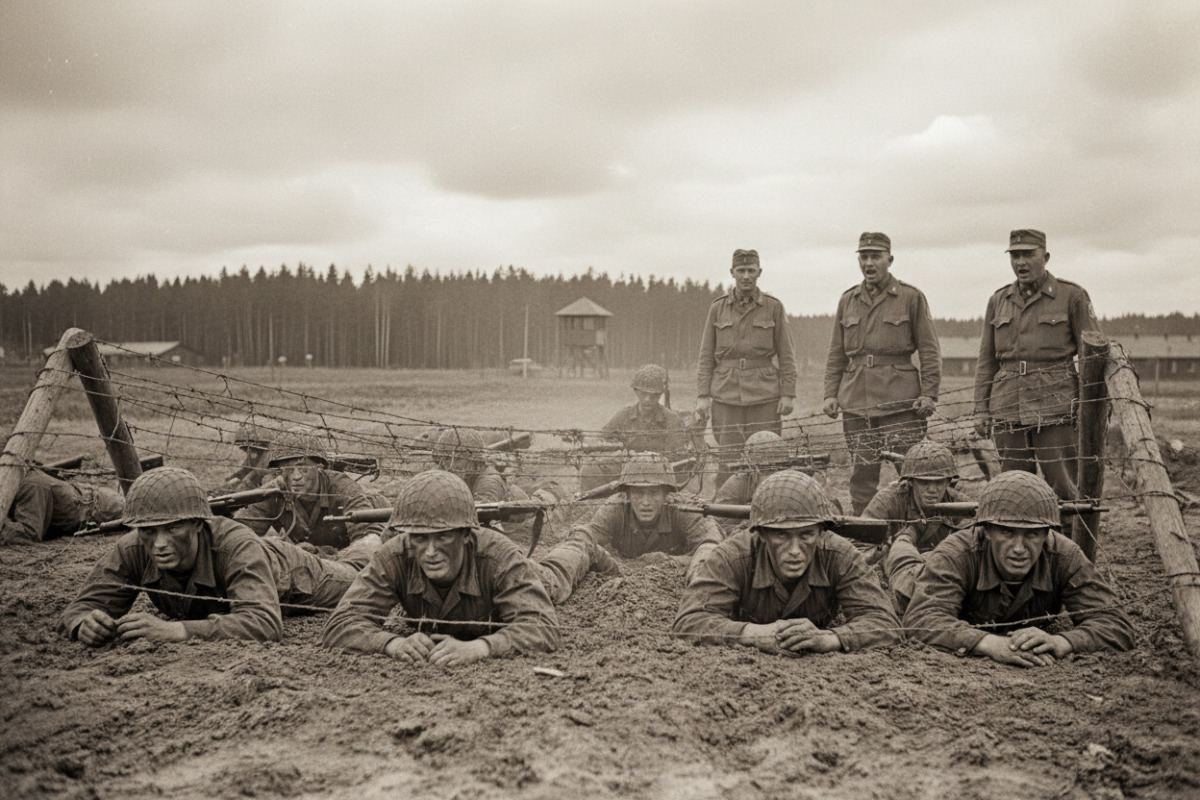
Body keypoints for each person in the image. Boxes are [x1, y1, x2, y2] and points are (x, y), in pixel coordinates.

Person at [59, 467, 376, 646]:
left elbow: (264, 623)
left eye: (172, 529)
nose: (158, 543)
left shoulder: (234, 544)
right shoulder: (133, 546)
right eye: (148, 531)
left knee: (362, 571)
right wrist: (83, 623)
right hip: (255, 576)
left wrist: (179, 631)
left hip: (294, 576)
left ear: (198, 524)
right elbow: (82, 606)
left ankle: (375, 535)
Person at [322, 470, 563, 665]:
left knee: (558, 574)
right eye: (419, 537)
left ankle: (582, 543)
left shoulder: (500, 558)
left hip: (535, 577)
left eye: (442, 537)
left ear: (466, 533)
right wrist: (392, 644)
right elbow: (341, 623)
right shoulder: (395, 555)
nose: (430, 551)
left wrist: (480, 648)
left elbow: (544, 627)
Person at [902, 471, 1134, 666]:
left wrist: (1062, 642)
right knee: (902, 558)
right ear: (987, 531)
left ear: (1047, 533)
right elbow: (922, 618)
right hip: (914, 579)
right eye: (1007, 532)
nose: (1019, 548)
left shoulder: (1064, 555)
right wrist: (990, 644)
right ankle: (904, 537)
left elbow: (1116, 623)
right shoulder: (955, 554)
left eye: (1032, 534)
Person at [672, 469, 902, 654]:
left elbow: (885, 622)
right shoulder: (732, 556)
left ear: (821, 533)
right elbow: (689, 621)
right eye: (782, 535)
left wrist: (830, 638)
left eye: (806, 535)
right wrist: (752, 635)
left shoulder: (841, 555)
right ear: (761, 534)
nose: (794, 551)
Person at [973, 229, 1101, 501]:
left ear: (1046, 257)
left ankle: (1069, 542)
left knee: (1065, 488)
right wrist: (980, 409)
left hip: (1056, 410)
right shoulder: (998, 301)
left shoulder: (1072, 296)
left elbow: (1093, 356)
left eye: (1028, 255)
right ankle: (1028, 543)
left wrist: (1091, 408)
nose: (1021, 262)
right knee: (1014, 490)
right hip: (1008, 409)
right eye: (1015, 255)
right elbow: (986, 360)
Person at [823, 232, 941, 515]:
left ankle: (921, 524)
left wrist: (929, 394)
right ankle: (866, 528)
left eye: (875, 256)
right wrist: (830, 393)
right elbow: (836, 352)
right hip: (856, 400)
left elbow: (929, 349)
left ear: (889, 259)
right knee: (862, 472)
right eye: (863, 257)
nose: (869, 263)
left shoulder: (910, 297)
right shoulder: (848, 300)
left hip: (900, 402)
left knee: (911, 469)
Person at [696, 249, 797, 489]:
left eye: (751, 271)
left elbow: (786, 354)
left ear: (759, 273)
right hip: (726, 395)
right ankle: (725, 514)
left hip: (764, 396)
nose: (746, 276)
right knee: (728, 459)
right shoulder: (718, 309)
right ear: (732, 273)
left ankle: (766, 506)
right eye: (741, 271)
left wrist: (788, 393)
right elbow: (705, 355)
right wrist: (702, 396)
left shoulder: (773, 307)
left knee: (767, 457)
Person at [571, 452, 723, 578]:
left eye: (654, 493)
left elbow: (712, 547)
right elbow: (586, 541)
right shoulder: (615, 507)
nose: (645, 502)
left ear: (666, 494)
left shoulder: (685, 509)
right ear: (627, 494)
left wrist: (671, 562)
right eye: (638, 492)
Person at [235, 425, 386, 551]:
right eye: (288, 469)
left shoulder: (343, 489)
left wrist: (322, 554)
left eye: (304, 469)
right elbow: (241, 532)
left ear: (319, 468)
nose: (296, 476)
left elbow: (368, 544)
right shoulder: (275, 491)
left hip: (358, 546)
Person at [579, 364, 695, 492]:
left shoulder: (672, 420)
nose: (647, 399)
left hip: (660, 475)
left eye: (653, 395)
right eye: (643, 394)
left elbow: (677, 458)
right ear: (636, 391)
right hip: (626, 471)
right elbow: (603, 441)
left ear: (660, 395)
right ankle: (591, 506)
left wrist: (646, 461)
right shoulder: (624, 415)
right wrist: (617, 454)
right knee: (590, 469)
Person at [864, 439, 972, 548]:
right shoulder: (888, 501)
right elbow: (862, 549)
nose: (932, 489)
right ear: (911, 481)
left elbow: (978, 543)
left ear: (948, 482)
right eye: (924, 482)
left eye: (939, 482)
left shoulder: (959, 504)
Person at [1, 467, 123, 545]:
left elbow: (30, 533)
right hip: (94, 500)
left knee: (137, 512)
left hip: (106, 508)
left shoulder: (30, 485)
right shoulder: (16, 481)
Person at [213, 418, 275, 494]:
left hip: (261, 486)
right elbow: (245, 469)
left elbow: (258, 471)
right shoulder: (253, 453)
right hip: (252, 482)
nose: (247, 450)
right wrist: (233, 477)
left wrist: (246, 479)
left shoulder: (267, 455)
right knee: (228, 487)